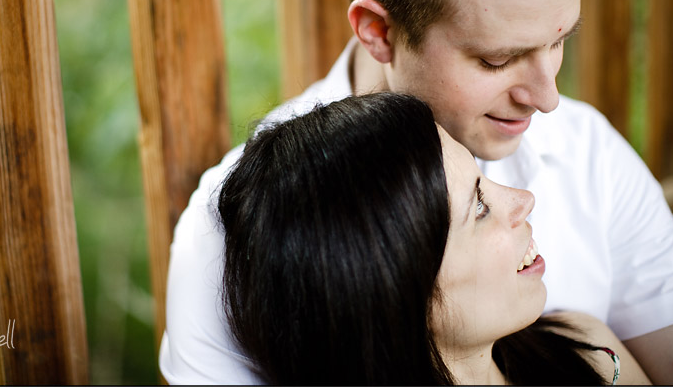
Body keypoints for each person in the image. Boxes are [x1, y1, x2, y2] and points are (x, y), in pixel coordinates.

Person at [159, 0, 673, 384]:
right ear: (377, 30)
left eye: (560, 40)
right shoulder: (237, 232)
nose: (547, 99)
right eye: (497, 59)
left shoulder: (586, 150)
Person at [219, 92, 649, 385]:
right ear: (397, 292)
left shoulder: (588, 351)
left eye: (483, 177)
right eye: (478, 208)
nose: (524, 200)